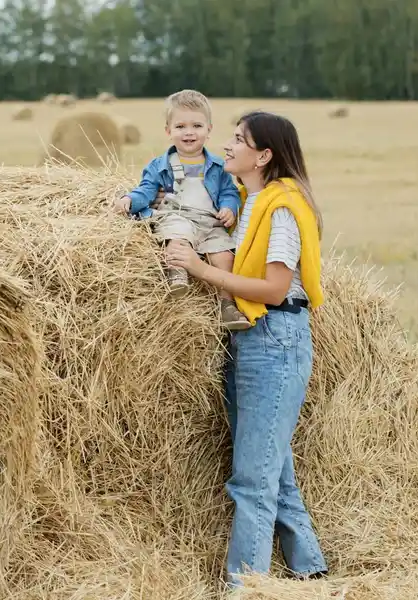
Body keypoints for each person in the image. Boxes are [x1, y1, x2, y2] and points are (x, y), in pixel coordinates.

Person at [164, 110, 329, 588]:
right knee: (272, 471)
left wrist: (198, 268)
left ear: (263, 156)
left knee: (251, 481)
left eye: (239, 140)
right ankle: (309, 569)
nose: (228, 146)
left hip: (274, 338)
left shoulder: (281, 210)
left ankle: (245, 586)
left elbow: (275, 288)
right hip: (250, 337)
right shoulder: (244, 202)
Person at [113, 89, 251, 331]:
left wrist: (229, 207)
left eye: (197, 125)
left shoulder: (219, 166)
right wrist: (129, 200)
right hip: (178, 216)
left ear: (209, 129)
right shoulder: (159, 165)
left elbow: (229, 192)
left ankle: (227, 305)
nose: (189, 132)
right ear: (168, 131)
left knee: (225, 256)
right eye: (180, 126)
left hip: (210, 223)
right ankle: (176, 274)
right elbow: (146, 190)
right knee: (177, 234)